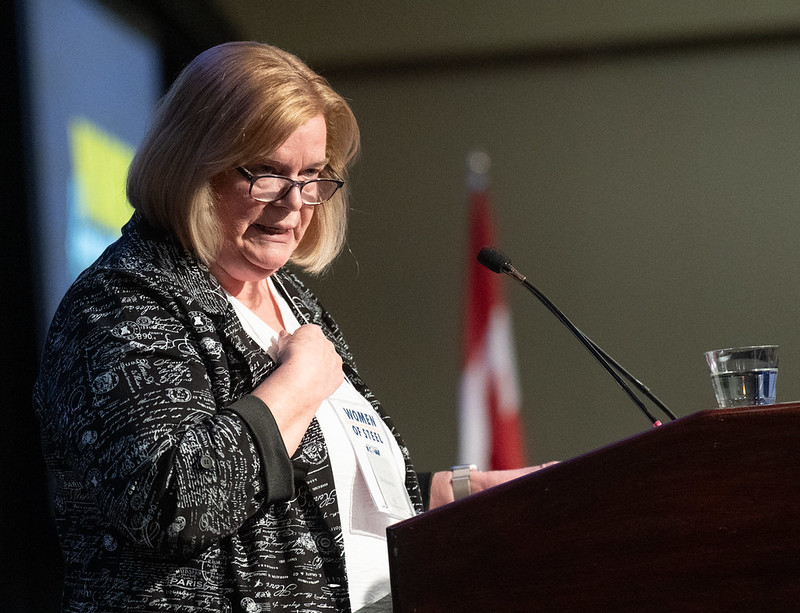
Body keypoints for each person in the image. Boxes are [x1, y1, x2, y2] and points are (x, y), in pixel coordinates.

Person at [34, 41, 551, 613]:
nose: (295, 203)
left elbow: (329, 504)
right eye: (269, 174)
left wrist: (464, 491)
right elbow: (172, 503)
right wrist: (298, 384)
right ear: (190, 165)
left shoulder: (293, 301)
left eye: (312, 176)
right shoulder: (122, 302)